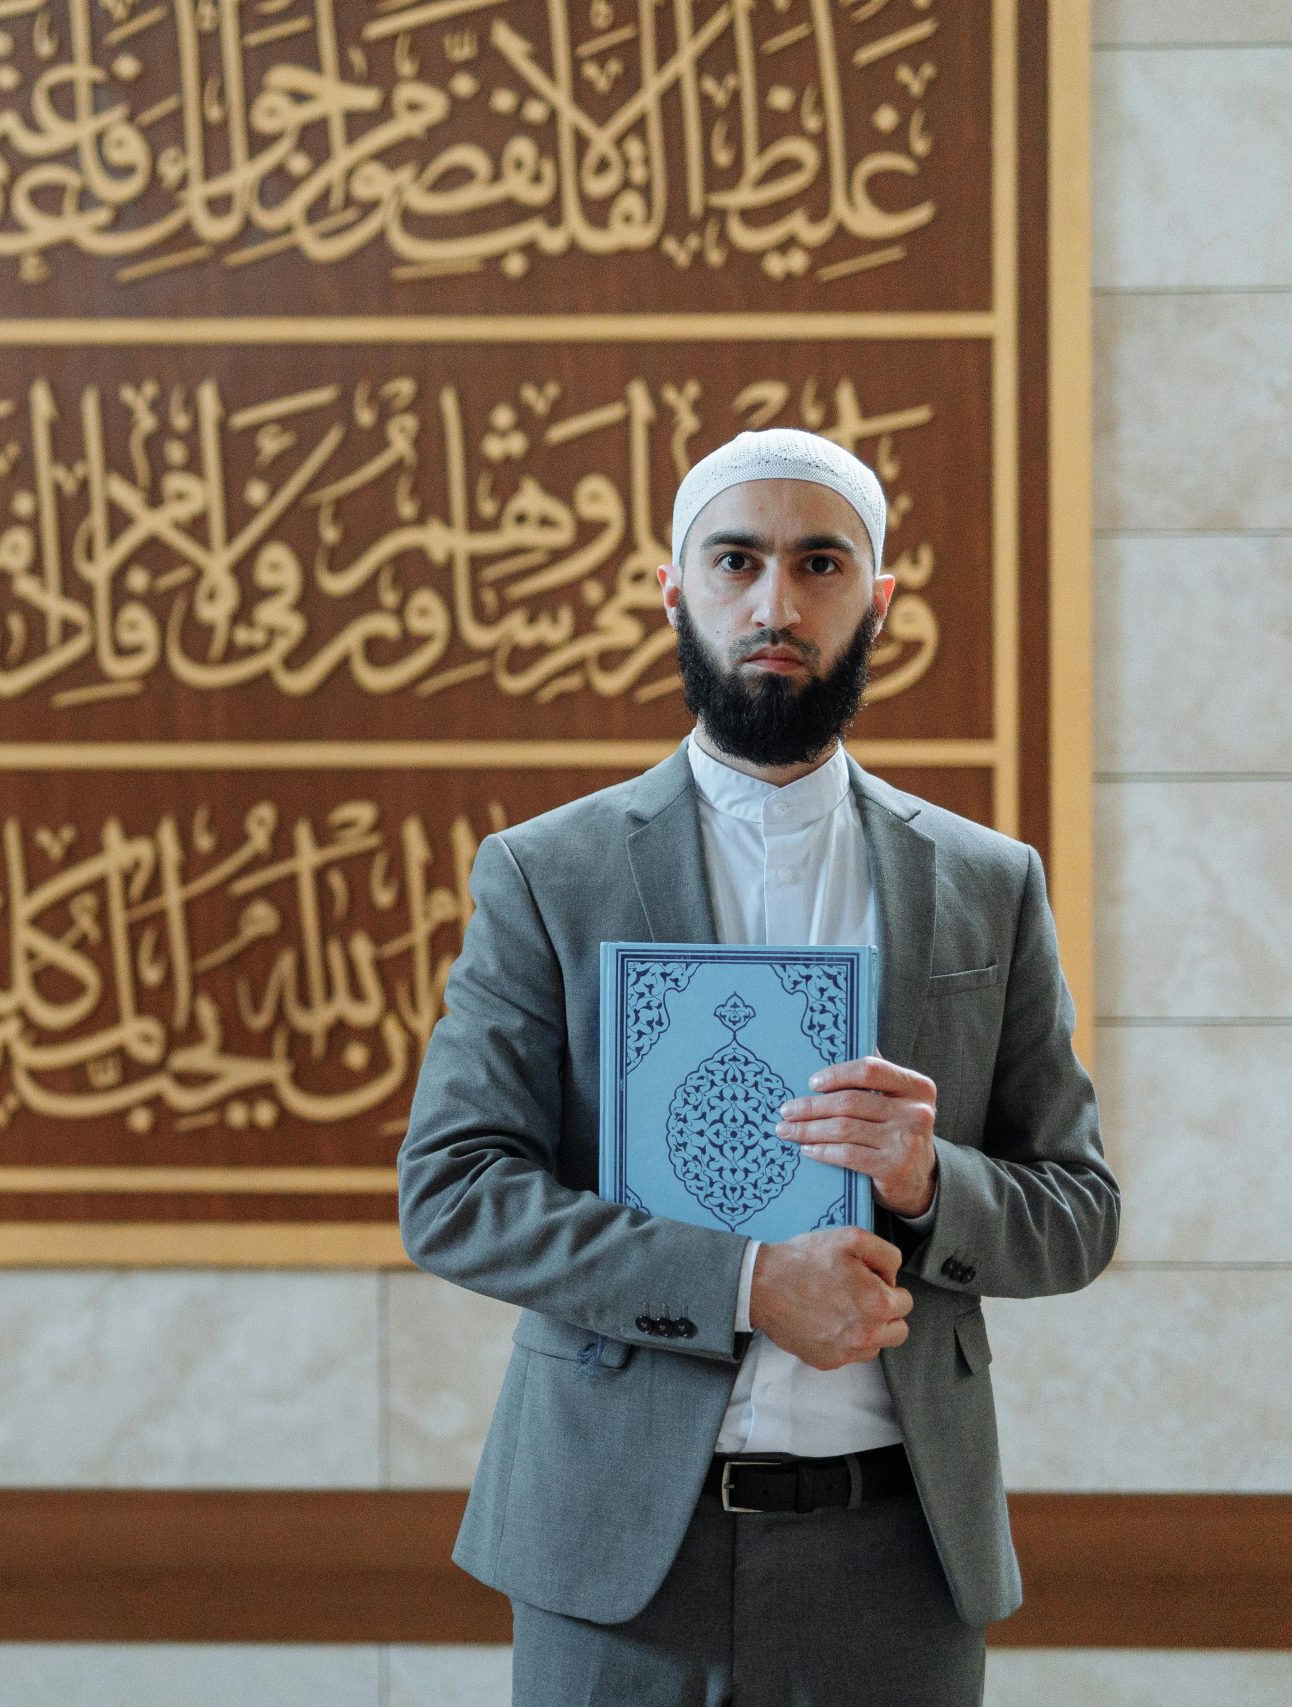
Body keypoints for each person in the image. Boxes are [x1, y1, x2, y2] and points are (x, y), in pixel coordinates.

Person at [396, 427, 1119, 1706]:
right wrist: (738, 1282)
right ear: (676, 590)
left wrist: (926, 1181)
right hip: (616, 1553)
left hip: (897, 1557)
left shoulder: (986, 887)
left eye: (819, 565)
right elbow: (453, 1192)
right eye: (735, 562)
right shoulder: (547, 875)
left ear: (877, 600)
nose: (774, 605)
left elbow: (1076, 1213)